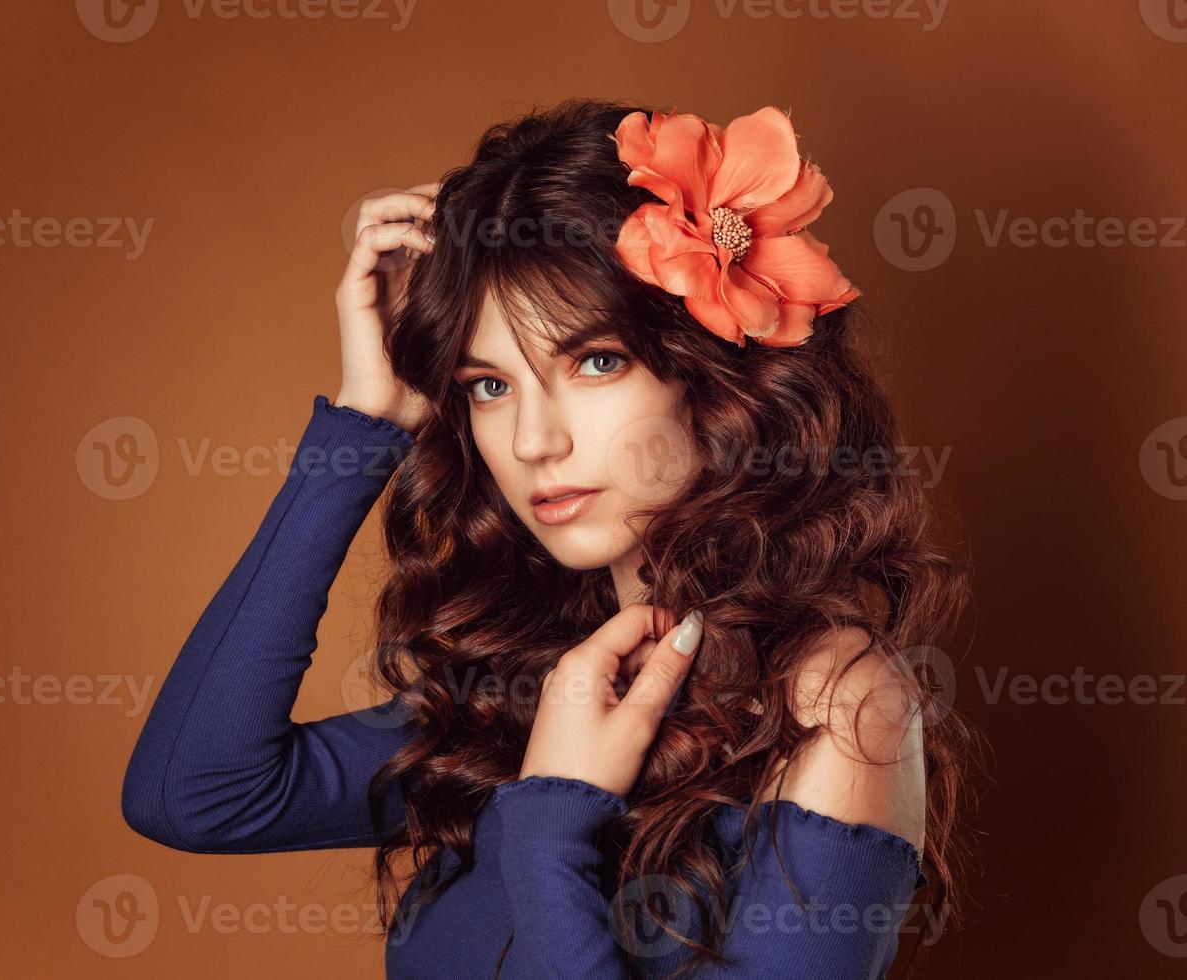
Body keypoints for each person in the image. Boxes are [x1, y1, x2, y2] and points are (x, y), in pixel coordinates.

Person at [122, 97, 980, 978]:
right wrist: (362, 420)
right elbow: (192, 795)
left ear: (718, 376)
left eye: (594, 363)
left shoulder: (833, 701)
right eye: (488, 385)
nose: (534, 440)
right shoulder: (538, 678)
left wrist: (554, 817)